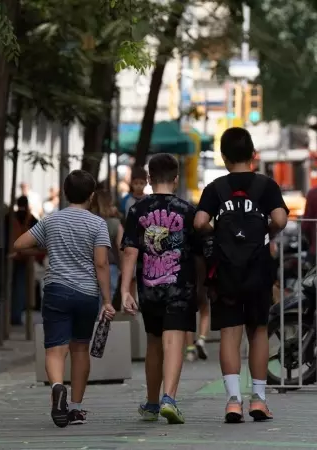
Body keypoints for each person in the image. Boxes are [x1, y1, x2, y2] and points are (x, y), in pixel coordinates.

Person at [194, 128, 288, 423]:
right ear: (253, 155)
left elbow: (199, 222)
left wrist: (218, 233)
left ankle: (233, 401)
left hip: (226, 271)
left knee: (229, 334)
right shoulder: (266, 186)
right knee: (258, 332)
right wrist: (266, 231)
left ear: (223, 157)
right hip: (258, 268)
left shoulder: (216, 188)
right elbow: (281, 219)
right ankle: (258, 400)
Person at [13, 170, 115, 428]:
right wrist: (107, 299)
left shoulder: (51, 221)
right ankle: (76, 408)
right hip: (87, 294)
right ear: (92, 196)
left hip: (57, 290)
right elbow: (101, 264)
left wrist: (48, 245)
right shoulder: (97, 224)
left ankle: (58, 388)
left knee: (55, 349)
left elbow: (20, 244)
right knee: (80, 348)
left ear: (66, 193)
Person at [120, 153, 202, 424]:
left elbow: (130, 252)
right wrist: (201, 288)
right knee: (174, 339)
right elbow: (199, 255)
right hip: (180, 286)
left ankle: (153, 402)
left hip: (149, 287)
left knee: (154, 342)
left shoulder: (136, 210)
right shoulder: (188, 210)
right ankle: (170, 398)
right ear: (176, 179)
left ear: (149, 179)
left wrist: (124, 290)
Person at [8, 196, 40, 326]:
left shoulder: (9, 217)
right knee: (22, 288)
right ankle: (17, 315)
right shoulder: (32, 219)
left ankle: (12, 314)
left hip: (10, 257)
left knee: (10, 288)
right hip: (26, 258)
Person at [90, 189, 123, 301]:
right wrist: (123, 268)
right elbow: (121, 248)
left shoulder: (88, 222)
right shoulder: (115, 223)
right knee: (107, 300)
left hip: (89, 266)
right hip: (111, 266)